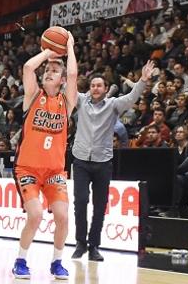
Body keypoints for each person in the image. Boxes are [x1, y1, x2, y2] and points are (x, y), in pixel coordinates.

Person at [71, 60, 156, 262]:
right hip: (81, 161)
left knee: (100, 206)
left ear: (106, 88)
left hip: (103, 163)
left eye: (99, 85)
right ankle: (80, 243)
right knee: (80, 202)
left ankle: (94, 246)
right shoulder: (81, 101)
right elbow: (68, 84)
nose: (95, 88)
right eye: (92, 85)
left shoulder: (113, 105)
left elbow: (132, 96)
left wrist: (143, 80)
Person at [11, 32, 77, 280]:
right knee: (36, 214)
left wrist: (68, 47)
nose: (49, 72)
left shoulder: (67, 101)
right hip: (27, 169)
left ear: (61, 80)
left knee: (62, 216)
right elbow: (29, 66)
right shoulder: (33, 95)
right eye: (47, 70)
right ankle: (20, 260)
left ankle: (57, 262)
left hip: (54, 171)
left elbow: (73, 74)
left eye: (54, 70)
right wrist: (49, 52)